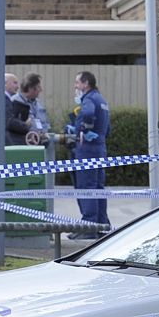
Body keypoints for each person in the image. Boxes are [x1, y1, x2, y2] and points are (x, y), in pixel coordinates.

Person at [67, 70, 110, 236]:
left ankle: (88, 228)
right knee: (98, 187)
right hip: (100, 148)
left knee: (86, 187)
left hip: (87, 150)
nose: (75, 86)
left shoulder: (89, 99)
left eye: (77, 82)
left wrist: (83, 130)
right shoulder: (101, 100)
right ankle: (101, 225)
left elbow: (88, 113)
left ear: (86, 84)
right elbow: (108, 128)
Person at [8, 73, 47, 146]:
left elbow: (46, 124)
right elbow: (11, 125)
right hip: (22, 146)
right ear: (30, 88)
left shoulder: (39, 104)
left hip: (40, 144)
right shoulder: (14, 102)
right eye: (38, 87)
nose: (41, 90)